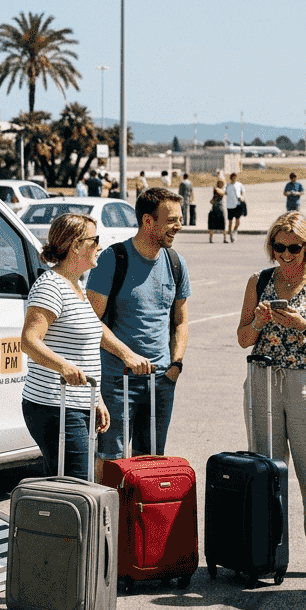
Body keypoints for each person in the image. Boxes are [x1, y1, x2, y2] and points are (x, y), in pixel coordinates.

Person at [237, 211, 306, 584]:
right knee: (266, 471)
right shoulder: (260, 280)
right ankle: (266, 553)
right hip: (263, 379)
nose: (285, 254)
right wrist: (259, 321)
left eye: (293, 248)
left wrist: (303, 326)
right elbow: (243, 338)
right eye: (278, 247)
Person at [87, 188, 190, 465]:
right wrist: (127, 355)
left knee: (151, 461)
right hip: (118, 379)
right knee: (111, 460)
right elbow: (91, 321)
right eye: (172, 220)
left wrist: (175, 365)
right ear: (147, 221)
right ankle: (108, 498)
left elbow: (180, 321)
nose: (179, 227)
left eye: (180, 220)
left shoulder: (176, 263)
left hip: (161, 380)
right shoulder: (113, 259)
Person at [20, 213, 121, 481]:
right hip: (55, 405)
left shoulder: (76, 285)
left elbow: (84, 351)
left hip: (76, 404)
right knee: (77, 484)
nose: (99, 246)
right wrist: (64, 367)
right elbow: (29, 341)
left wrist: (95, 399)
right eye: (94, 240)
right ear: (76, 245)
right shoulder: (50, 286)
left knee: (68, 485)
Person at [225, 172, 246, 242]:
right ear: (230, 178)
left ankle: (234, 231)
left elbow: (243, 192)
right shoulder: (228, 185)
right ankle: (230, 235)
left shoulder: (239, 184)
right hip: (230, 205)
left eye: (234, 177)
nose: (233, 179)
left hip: (238, 205)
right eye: (232, 178)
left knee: (237, 222)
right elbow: (225, 193)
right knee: (230, 222)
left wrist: (242, 197)